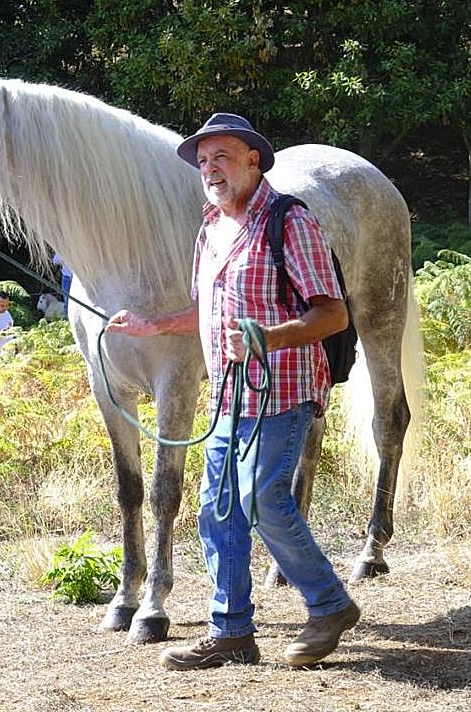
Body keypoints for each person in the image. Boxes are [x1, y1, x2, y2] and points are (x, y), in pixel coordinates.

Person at [106, 113, 360, 671]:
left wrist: (267, 338)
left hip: (284, 387)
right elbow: (208, 312)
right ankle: (232, 632)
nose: (210, 169)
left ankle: (329, 603)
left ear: (253, 159)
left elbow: (333, 313)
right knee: (217, 508)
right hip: (228, 390)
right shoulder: (211, 228)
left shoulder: (290, 222)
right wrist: (152, 327)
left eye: (221, 157)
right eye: (202, 161)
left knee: (261, 499)